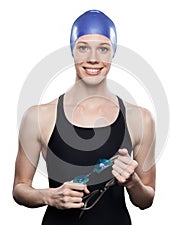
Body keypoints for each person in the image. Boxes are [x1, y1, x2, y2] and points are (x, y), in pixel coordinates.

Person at [13, 10, 156, 225]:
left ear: (113, 53)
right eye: (83, 48)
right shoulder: (38, 117)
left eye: (103, 49)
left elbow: (146, 200)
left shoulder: (140, 119)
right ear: (72, 51)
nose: (93, 59)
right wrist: (48, 196)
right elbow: (19, 188)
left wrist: (133, 182)